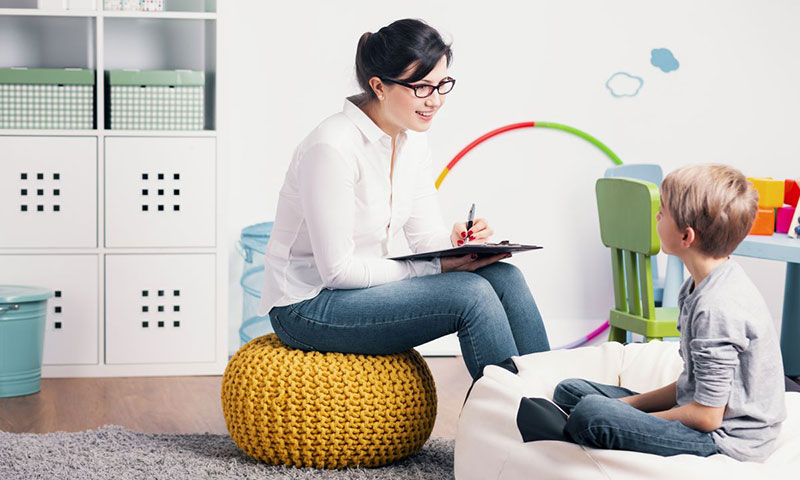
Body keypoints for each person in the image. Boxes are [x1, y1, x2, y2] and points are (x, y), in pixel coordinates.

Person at [257, 18, 550, 380]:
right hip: (308, 305)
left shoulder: (412, 140)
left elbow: (426, 239)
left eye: (443, 84)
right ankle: (513, 417)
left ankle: (553, 400)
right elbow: (337, 271)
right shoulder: (332, 147)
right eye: (422, 87)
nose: (436, 100)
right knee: (471, 294)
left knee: (505, 276)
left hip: (365, 288)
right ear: (379, 86)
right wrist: (439, 267)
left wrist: (459, 244)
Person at [553, 164, 787, 461]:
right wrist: (629, 405)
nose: (656, 217)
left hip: (725, 440)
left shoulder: (717, 308)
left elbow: (707, 417)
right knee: (569, 391)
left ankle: (583, 425)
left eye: (662, 212)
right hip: (700, 413)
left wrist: (628, 413)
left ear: (686, 236)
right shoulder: (697, 285)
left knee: (590, 414)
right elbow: (689, 384)